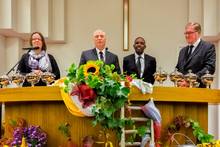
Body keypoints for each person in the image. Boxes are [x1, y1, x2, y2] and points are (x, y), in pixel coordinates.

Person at [176, 22, 216, 88]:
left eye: (189, 33)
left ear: (198, 33)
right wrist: (179, 80)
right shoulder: (182, 51)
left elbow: (209, 68)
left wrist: (190, 80)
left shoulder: (208, 47)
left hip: (199, 89)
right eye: (185, 33)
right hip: (182, 89)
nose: (186, 36)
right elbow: (178, 69)